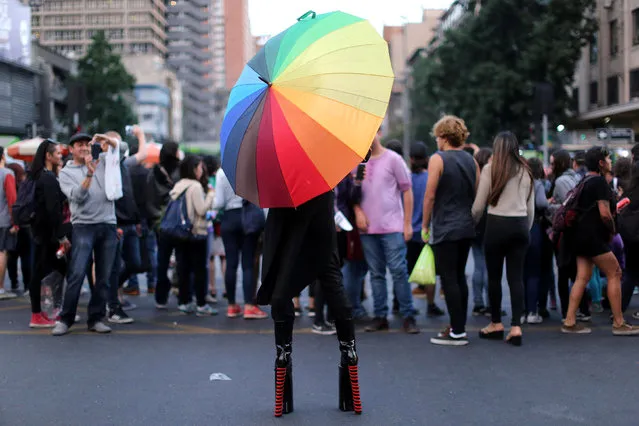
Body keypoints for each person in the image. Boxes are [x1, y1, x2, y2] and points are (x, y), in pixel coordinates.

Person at [257, 189, 361, 417]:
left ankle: (283, 357)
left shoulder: (278, 174)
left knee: (282, 291)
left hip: (290, 229)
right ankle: (349, 352)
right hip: (321, 228)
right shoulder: (321, 168)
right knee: (333, 284)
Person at [561, 147, 639, 336]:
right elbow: (604, 214)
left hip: (579, 237)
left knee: (582, 277)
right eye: (607, 159)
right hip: (593, 238)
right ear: (601, 163)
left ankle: (570, 321)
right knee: (615, 272)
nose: (611, 162)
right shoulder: (599, 182)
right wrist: (613, 228)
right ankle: (619, 323)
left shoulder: (585, 180)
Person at [53, 133, 120, 336]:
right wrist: (89, 175)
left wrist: (107, 140)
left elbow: (121, 148)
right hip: (83, 225)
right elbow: (77, 197)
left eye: (87, 144)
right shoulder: (66, 173)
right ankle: (65, 318)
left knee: (104, 277)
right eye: (79, 145)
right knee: (77, 273)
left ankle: (96, 318)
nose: (84, 148)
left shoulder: (105, 161)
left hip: (108, 224)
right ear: (71, 149)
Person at [354, 129, 419, 334]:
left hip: (392, 227)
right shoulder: (357, 162)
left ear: (378, 134)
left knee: (399, 271)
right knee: (376, 274)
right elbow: (351, 192)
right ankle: (380, 316)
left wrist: (407, 223)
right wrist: (357, 211)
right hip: (367, 229)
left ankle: (408, 315)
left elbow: (406, 190)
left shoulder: (394, 159)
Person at [472, 131, 534, 346]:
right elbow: (530, 208)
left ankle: (496, 323)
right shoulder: (526, 171)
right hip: (519, 225)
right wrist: (525, 229)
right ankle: (516, 326)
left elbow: (479, 206)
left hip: (497, 225)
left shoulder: (491, 169)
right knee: (516, 278)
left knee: (494, 277)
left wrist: (473, 222)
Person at [422, 116, 479, 346]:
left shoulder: (438, 159)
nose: (436, 141)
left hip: (446, 226)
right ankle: (459, 326)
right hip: (466, 225)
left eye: (437, 137)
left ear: (444, 137)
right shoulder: (471, 160)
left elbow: (430, 195)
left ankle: (457, 332)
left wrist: (425, 225)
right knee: (459, 277)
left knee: (448, 279)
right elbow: (475, 192)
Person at [213, 166, 267, 319]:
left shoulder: (222, 172)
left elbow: (219, 203)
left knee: (231, 263)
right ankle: (249, 306)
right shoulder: (254, 169)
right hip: (249, 219)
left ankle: (231, 306)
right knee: (248, 264)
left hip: (229, 219)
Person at [169, 155, 217, 316]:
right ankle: (201, 304)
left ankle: (184, 301)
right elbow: (202, 210)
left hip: (180, 232)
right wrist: (210, 194)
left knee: (183, 268)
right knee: (199, 270)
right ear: (194, 168)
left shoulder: (179, 184)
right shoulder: (195, 186)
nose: (201, 170)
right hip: (196, 232)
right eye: (199, 167)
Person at [26, 140, 66, 328]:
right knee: (42, 272)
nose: (61, 155)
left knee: (57, 269)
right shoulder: (47, 178)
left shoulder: (41, 176)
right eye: (57, 153)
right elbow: (53, 209)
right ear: (48, 156)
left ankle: (53, 310)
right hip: (47, 234)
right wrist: (61, 236)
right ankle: (38, 315)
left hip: (40, 232)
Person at [407, 141, 444, 317]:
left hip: (406, 231)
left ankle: (400, 303)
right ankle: (430, 304)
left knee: (403, 271)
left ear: (411, 159)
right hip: (426, 232)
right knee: (430, 271)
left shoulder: (405, 178)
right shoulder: (431, 178)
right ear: (427, 159)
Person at [147, 142, 181, 309]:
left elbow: (148, 198)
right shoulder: (180, 170)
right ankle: (183, 293)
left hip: (160, 222)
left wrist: (153, 220)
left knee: (162, 259)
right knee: (182, 258)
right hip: (177, 220)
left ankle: (161, 296)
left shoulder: (152, 172)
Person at [523, 158, 552, 324]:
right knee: (534, 273)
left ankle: (521, 311)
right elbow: (541, 203)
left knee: (521, 273)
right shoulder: (538, 184)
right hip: (534, 227)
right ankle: (533, 312)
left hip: (519, 226)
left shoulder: (518, 182)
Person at [471, 147, 492, 315]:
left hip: (475, 226)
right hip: (489, 225)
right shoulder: (490, 177)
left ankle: (478, 303)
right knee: (488, 267)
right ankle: (490, 304)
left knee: (478, 266)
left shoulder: (473, 177)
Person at [6, 163, 31, 295]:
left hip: (10, 224)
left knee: (11, 256)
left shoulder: (8, 184)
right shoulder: (24, 186)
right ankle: (27, 284)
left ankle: (14, 282)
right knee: (26, 256)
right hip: (25, 225)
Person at [0, 147, 17, 299]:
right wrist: (16, 222)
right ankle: (0, 288)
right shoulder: (7, 174)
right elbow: (12, 199)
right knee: (2, 252)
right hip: (3, 219)